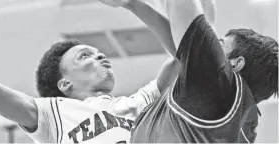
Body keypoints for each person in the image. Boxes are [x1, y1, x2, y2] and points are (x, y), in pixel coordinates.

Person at [0, 5, 180, 143]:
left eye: (98, 53)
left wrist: (134, 4)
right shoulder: (51, 114)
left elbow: (183, 53)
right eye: (84, 55)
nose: (99, 56)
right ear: (64, 83)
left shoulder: (138, 104)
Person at [99, 0, 278, 143]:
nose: (214, 47)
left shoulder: (219, 84)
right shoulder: (242, 125)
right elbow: (181, 50)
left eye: (220, 45)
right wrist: (134, 4)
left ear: (235, 64)